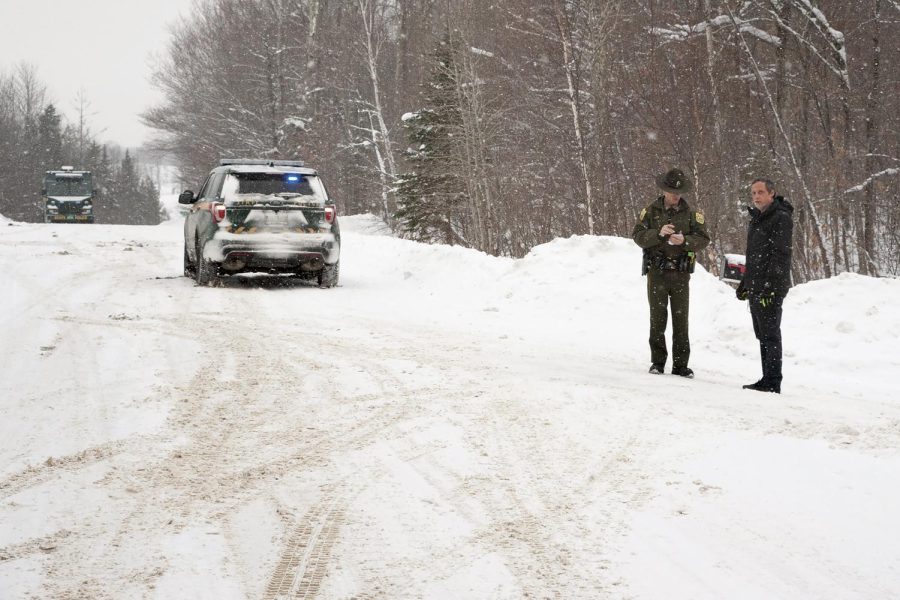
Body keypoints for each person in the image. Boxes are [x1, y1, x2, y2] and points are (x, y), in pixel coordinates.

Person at [633, 168, 711, 377]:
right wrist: (658, 234)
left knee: (680, 319)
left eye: (678, 192)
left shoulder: (692, 214)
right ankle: (658, 362)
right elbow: (638, 236)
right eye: (671, 191)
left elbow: (703, 239)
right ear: (663, 190)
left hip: (680, 272)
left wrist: (685, 241)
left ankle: (680, 364)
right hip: (657, 271)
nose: (675, 195)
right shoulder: (650, 211)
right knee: (657, 318)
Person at [736, 178, 793, 393]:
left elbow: (781, 254)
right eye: (753, 193)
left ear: (772, 193)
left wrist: (770, 286)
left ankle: (773, 380)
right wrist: (745, 283)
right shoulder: (757, 218)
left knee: (770, 333)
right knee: (761, 333)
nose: (756, 196)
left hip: (771, 286)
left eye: (760, 192)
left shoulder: (780, 217)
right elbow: (754, 256)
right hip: (756, 284)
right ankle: (766, 377)